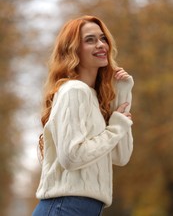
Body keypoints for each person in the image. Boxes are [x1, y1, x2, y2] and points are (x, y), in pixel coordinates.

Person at [32, 15, 134, 216]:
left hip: (83, 208)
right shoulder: (74, 91)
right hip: (65, 207)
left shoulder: (94, 99)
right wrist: (115, 127)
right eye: (90, 40)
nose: (100, 44)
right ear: (73, 49)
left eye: (103, 38)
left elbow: (121, 156)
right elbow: (72, 156)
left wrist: (123, 92)